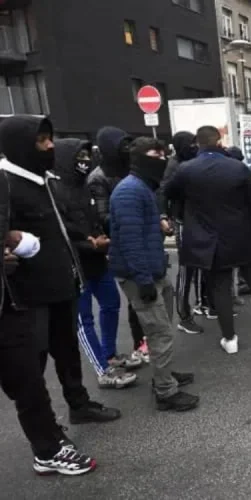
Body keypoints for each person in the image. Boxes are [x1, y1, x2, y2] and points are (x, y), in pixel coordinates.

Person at [0, 115, 122, 427]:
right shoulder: (6, 184)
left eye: (50, 138)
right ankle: (45, 428)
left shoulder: (47, 180)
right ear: (20, 145)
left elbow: (62, 226)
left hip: (63, 284)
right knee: (33, 367)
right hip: (29, 296)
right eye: (41, 140)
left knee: (67, 353)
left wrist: (85, 243)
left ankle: (79, 405)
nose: (50, 146)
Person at [0, 168, 98, 476]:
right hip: (24, 299)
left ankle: (48, 447)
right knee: (27, 377)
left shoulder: (31, 182)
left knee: (28, 380)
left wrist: (14, 241)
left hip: (14, 304)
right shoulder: (10, 181)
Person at [164, 126, 251, 355]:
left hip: (208, 237)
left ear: (198, 143)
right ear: (219, 141)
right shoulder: (238, 167)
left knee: (220, 287)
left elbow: (169, 192)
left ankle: (230, 339)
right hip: (242, 234)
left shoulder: (187, 169)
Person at [109, 137, 198, 411]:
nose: (161, 159)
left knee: (162, 330)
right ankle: (165, 392)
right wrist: (144, 280)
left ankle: (164, 375)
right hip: (141, 275)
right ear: (138, 158)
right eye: (154, 154)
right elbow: (131, 241)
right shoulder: (129, 191)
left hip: (153, 270)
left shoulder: (143, 187)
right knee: (160, 333)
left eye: (162, 154)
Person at [51, 139, 137, 389]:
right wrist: (91, 244)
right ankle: (103, 370)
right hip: (74, 265)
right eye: (79, 156)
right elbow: (59, 234)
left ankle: (110, 354)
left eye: (87, 155)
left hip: (97, 259)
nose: (85, 161)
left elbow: (94, 220)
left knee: (111, 303)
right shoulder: (54, 191)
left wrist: (101, 238)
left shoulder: (84, 186)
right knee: (84, 319)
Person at [88, 126, 149, 365]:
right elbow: (102, 216)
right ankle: (131, 347)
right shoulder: (98, 177)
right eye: (122, 145)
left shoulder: (131, 170)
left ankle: (142, 342)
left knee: (143, 296)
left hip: (138, 238)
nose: (127, 149)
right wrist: (132, 218)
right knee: (133, 295)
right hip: (118, 243)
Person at [158, 131, 203, 335]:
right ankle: (184, 316)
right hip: (183, 221)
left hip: (196, 219)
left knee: (199, 265)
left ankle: (202, 303)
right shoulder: (174, 166)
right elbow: (164, 192)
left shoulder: (190, 162)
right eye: (191, 143)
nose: (194, 147)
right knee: (186, 269)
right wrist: (164, 216)